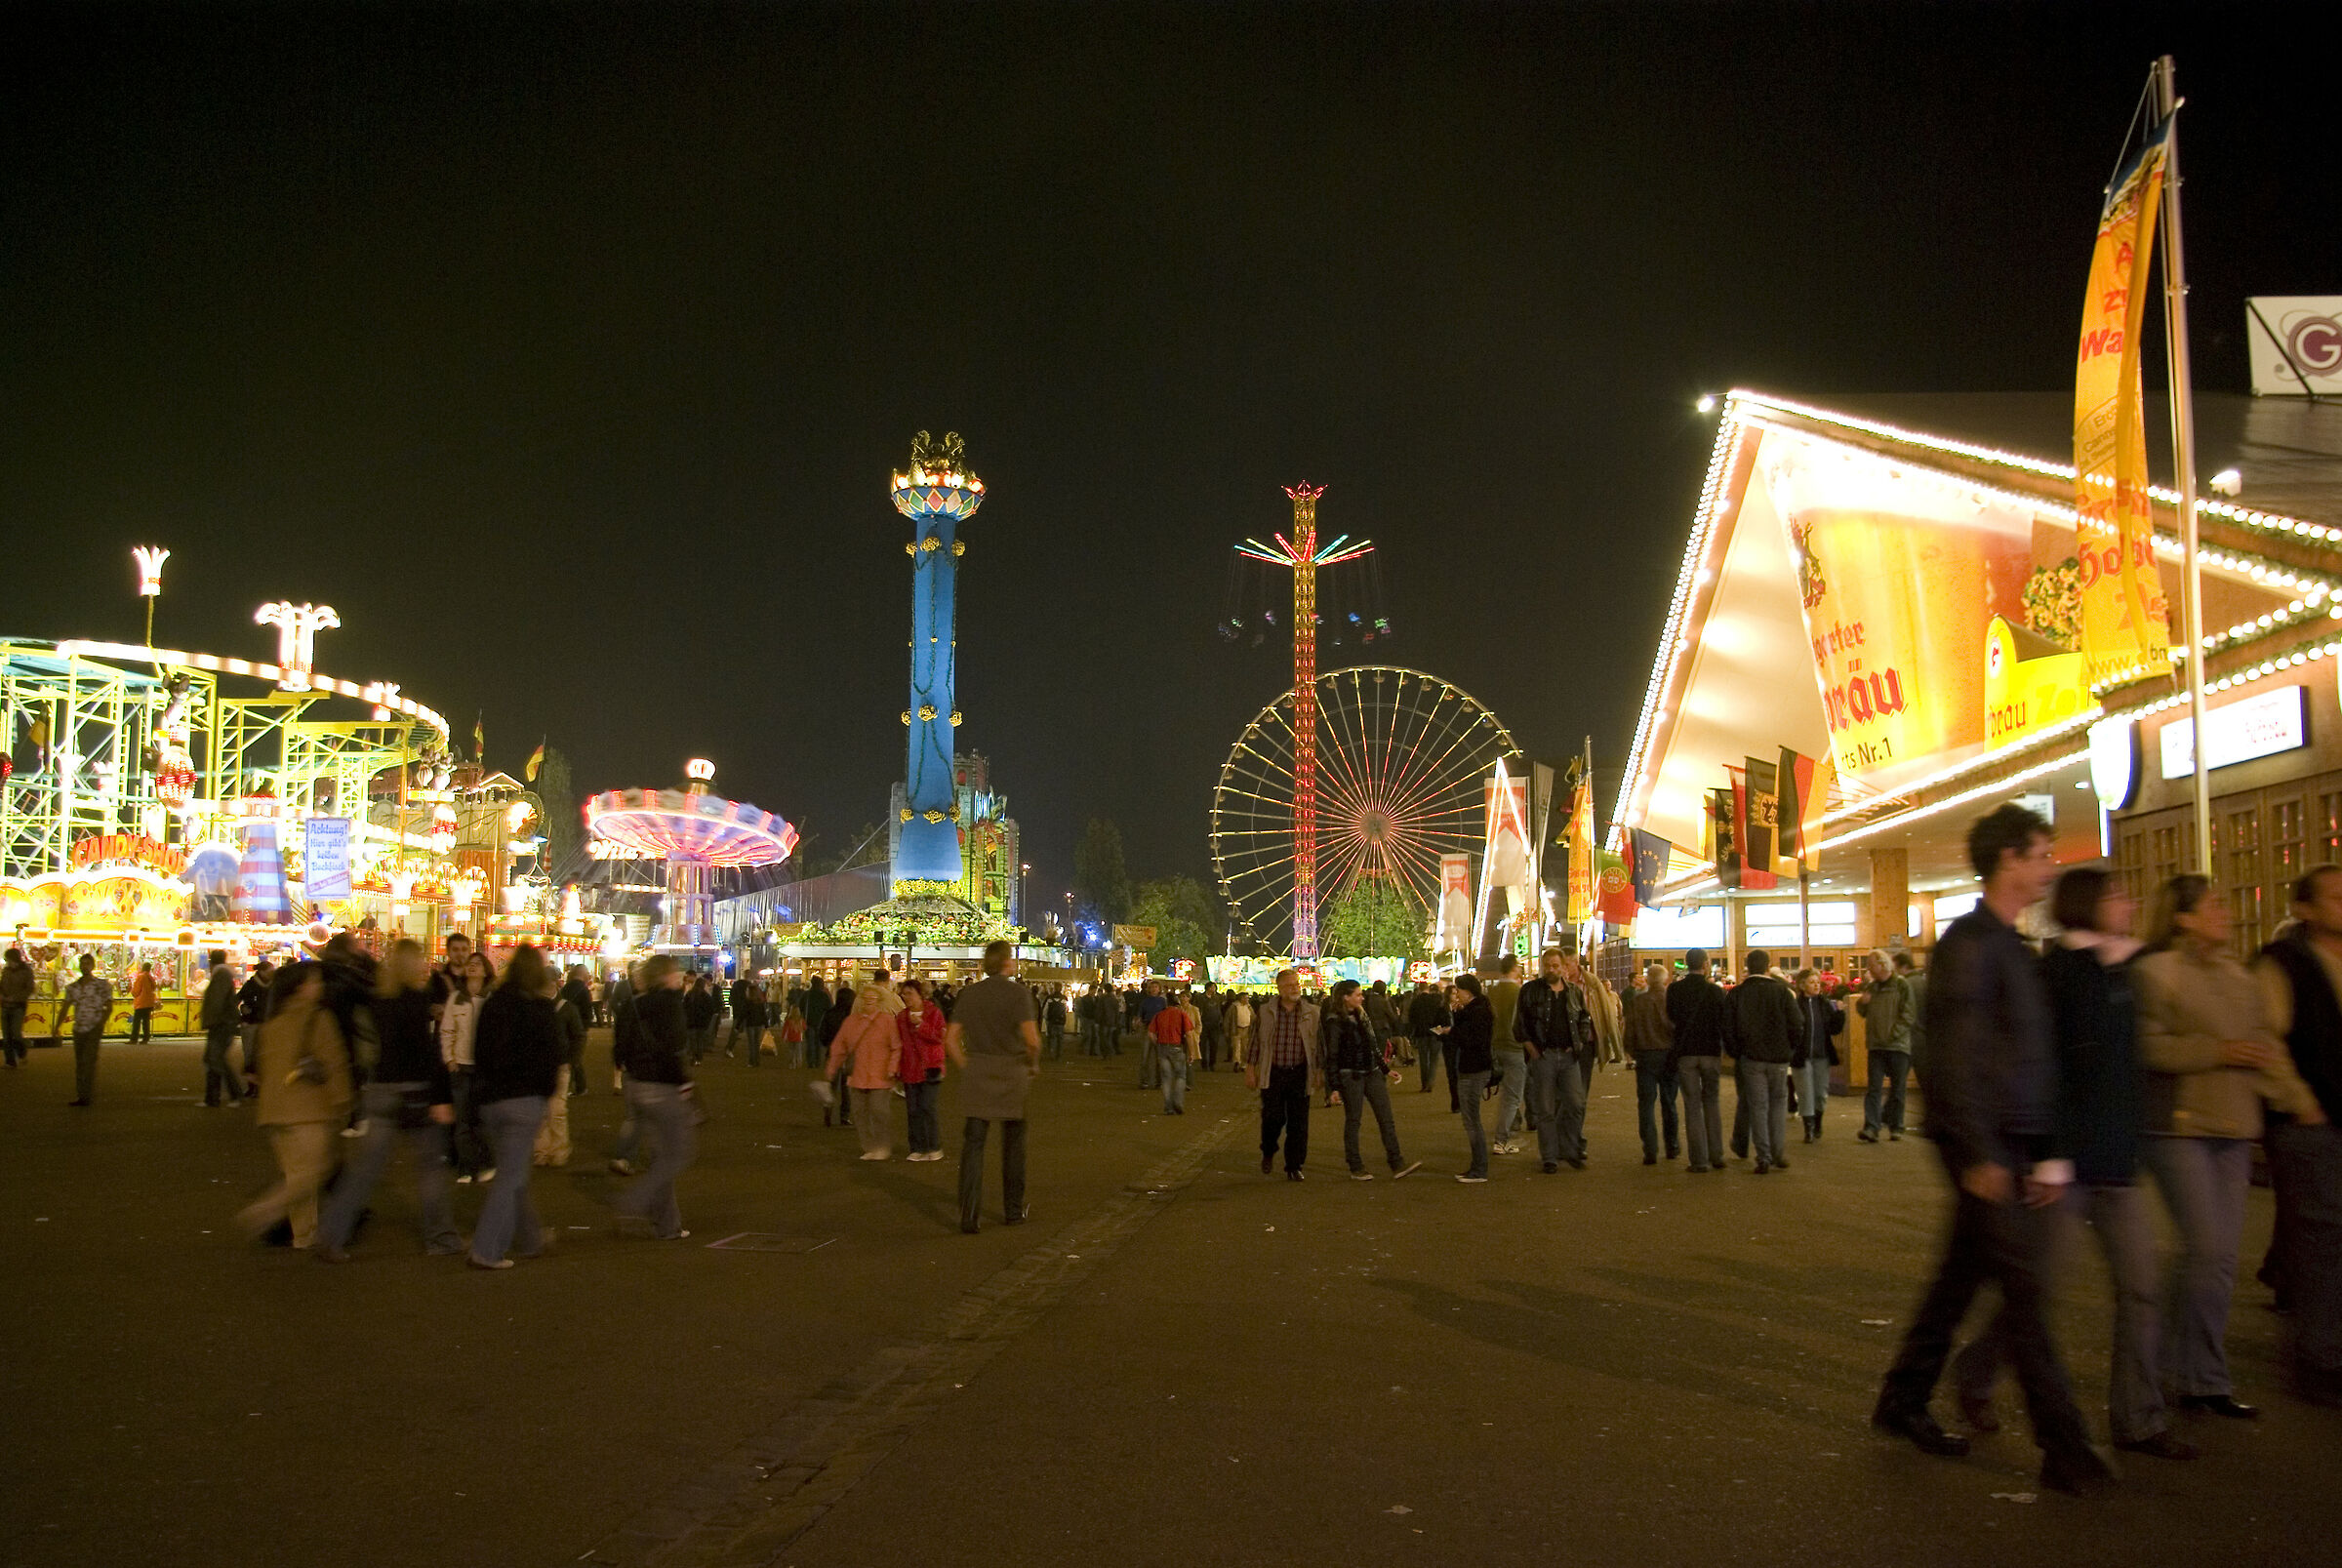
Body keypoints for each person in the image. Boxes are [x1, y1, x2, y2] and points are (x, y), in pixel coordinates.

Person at [1872, 803, 2112, 1497]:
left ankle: (1903, 1396)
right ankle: (2064, 1444)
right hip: (1983, 1143)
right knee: (2025, 1292)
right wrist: (1980, 1151)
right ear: (2009, 858)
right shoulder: (1973, 945)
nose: (2049, 865)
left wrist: (2041, 1149)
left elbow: (2026, 1059)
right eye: (2040, 853)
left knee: (1959, 1278)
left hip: (2006, 1141)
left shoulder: (2008, 943)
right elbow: (1955, 1056)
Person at [1949, 866, 2195, 1460]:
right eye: (2115, 895)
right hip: (2064, 1164)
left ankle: (2138, 1420)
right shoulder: (2056, 974)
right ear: (2088, 905)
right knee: (2039, 1288)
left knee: (2141, 1287)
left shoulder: (2134, 970)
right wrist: (2048, 1153)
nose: (2128, 903)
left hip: (2117, 1158)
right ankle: (1976, 1372)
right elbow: (2041, 1069)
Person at [2135, 871, 2317, 1421]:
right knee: (2207, 1249)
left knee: (2216, 1259)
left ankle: (2199, 1375)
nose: (2224, 913)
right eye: (2212, 906)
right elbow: (2148, 1048)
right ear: (2182, 917)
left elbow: (2266, 1047)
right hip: (2180, 1127)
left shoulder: (2240, 977)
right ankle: (2181, 1370)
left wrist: (2299, 1100)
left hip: (2234, 1126)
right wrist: (2218, 1050)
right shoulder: (2156, 972)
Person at [313, 938, 463, 1262]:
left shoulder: (378, 1000)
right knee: (430, 1168)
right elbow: (425, 1054)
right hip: (414, 1091)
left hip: (380, 1090)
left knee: (365, 1170)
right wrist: (440, 1096)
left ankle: (331, 1233)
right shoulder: (415, 1000)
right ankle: (441, 1236)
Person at [2253, 864, 2342, 1408]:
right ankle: (2318, 1361)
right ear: (2305, 910)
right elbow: (2266, 1038)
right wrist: (2299, 1102)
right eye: (2334, 897)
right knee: (2323, 1244)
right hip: (2312, 1125)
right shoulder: (2285, 963)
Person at [235, 962, 352, 1250]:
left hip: (274, 1112)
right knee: (310, 1174)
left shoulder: (273, 1022)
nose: (319, 986)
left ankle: (304, 1236)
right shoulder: (318, 1018)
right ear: (301, 987)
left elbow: (261, 1067)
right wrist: (343, 1102)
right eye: (314, 982)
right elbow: (334, 1063)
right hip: (308, 1110)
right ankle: (264, 1211)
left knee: (298, 1175)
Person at [467, 945, 565, 1270]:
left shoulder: (494, 1004)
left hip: (493, 1100)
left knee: (515, 1171)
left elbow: (480, 1050)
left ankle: (531, 1238)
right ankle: (486, 1248)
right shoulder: (541, 1008)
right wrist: (545, 1093)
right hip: (524, 1101)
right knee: (510, 1176)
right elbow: (552, 1056)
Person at [948, 941, 1041, 1233]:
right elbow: (1032, 1040)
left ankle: (969, 1214)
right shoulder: (1019, 995)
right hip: (1011, 1072)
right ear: (1006, 962)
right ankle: (1013, 1210)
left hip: (978, 1070)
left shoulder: (970, 994)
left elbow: (950, 1039)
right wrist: (1032, 1064)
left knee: (974, 1144)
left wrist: (966, 1065)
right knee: (1013, 1144)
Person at [611, 954, 699, 1239]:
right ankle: (636, 1200)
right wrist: (684, 1086)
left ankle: (667, 1224)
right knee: (677, 1154)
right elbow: (674, 1049)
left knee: (661, 1155)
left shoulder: (633, 1005)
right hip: (663, 1086)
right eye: (675, 973)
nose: (679, 977)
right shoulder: (671, 1005)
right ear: (664, 977)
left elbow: (619, 1048)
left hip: (636, 1085)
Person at [1323, 980, 1418, 1181]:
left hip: (1371, 1071)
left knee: (1386, 1118)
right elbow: (1332, 1055)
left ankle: (1396, 1162)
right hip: (1351, 1074)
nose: (1362, 997)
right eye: (1358, 995)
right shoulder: (1334, 1021)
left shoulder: (1361, 1016)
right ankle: (1355, 1165)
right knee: (1354, 1120)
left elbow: (1372, 1045)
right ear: (1345, 997)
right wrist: (1333, 1087)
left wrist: (1384, 1069)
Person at [1514, 948, 1593, 1173]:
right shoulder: (1531, 991)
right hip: (1544, 1056)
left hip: (1569, 1057)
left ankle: (1569, 1149)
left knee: (1576, 1104)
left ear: (1563, 967)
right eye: (1547, 965)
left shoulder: (1573, 993)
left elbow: (1584, 1018)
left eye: (1556, 965)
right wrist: (1532, 1049)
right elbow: (1519, 1024)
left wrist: (1578, 1044)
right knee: (1545, 1108)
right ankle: (1549, 1156)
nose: (1551, 969)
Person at [1726, 949, 1801, 1175]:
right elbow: (1797, 1024)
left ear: (1747, 966)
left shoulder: (1738, 994)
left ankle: (1764, 1157)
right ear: (1768, 966)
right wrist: (1789, 1049)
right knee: (1778, 1106)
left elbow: (1728, 1029)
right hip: (1778, 1058)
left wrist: (1737, 1053)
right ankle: (1778, 1153)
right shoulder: (1782, 992)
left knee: (1758, 1106)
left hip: (1751, 1058)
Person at [1248, 968, 1322, 1181]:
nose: (1295, 987)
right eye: (1290, 985)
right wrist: (1251, 1070)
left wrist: (1318, 1071)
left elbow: (1318, 1046)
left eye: (1297, 983)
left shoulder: (1312, 1012)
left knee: (1299, 1122)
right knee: (1272, 1117)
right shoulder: (1265, 1012)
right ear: (1279, 988)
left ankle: (1294, 1165)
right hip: (1273, 1072)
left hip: (1299, 1072)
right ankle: (1268, 1150)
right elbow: (1255, 1042)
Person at [1666, 949, 1729, 1174]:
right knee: (1711, 1103)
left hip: (1686, 1053)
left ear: (1685, 964)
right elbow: (1724, 1021)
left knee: (1692, 1106)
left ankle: (1699, 1161)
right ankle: (1717, 1155)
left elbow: (1671, 1017)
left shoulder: (1675, 990)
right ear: (1705, 964)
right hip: (1711, 1052)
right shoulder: (1715, 992)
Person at [830, 985, 903, 1160]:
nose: (869, 1002)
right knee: (860, 1113)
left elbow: (896, 1046)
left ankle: (882, 1146)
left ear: (879, 1002)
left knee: (879, 1111)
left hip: (881, 1074)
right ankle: (869, 1147)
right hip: (858, 1074)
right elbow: (840, 1045)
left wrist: (893, 1067)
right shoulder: (852, 1022)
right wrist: (832, 1067)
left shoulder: (887, 1021)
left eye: (873, 999)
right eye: (866, 999)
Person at [438, 951, 493, 1182]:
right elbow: (447, 1030)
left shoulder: (491, 998)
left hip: (483, 1067)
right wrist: (449, 1059)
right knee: (462, 1120)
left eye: (478, 964)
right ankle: (465, 1167)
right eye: (470, 964)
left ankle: (484, 1163)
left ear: (486, 970)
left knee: (481, 1118)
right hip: (460, 1066)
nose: (473, 967)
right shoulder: (456, 998)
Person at [1624, 961, 1678, 1163]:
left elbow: (1629, 1033)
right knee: (1669, 1102)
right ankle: (1672, 1146)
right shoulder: (1671, 1001)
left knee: (1646, 1104)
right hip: (1669, 1057)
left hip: (1646, 1057)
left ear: (1647, 980)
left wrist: (1633, 1052)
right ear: (1665, 980)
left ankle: (1650, 1150)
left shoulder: (1638, 1002)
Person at [1858, 949, 1914, 1143]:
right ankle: (1871, 1127)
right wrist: (1862, 1003)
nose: (1869, 969)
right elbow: (1862, 1011)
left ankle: (1896, 1126)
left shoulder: (1901, 985)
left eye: (1871, 965)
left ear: (1882, 965)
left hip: (1897, 1046)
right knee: (1873, 1089)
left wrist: (1892, 1035)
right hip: (1876, 1046)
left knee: (1898, 1089)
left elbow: (1908, 1015)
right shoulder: (1871, 987)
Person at [534, 972, 587, 1167]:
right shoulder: (534, 1007)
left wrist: (572, 1061)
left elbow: (579, 1036)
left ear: (555, 983)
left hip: (560, 1065)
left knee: (556, 1110)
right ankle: (541, 1151)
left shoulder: (567, 1008)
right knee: (540, 1111)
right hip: (537, 1066)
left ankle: (558, 1150)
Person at [1447, 974, 1495, 1183]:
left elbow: (1467, 1039)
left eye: (1458, 990)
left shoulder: (1477, 1012)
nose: (1456, 994)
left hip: (1473, 1069)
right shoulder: (1479, 1009)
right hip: (1475, 1067)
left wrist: (1452, 1030)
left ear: (1468, 991)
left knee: (1471, 1120)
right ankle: (1478, 1166)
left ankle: (1479, 1168)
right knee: (1471, 1119)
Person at [898, 980, 948, 1161]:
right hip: (910, 1068)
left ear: (920, 995)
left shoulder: (933, 1012)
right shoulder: (901, 1017)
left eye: (909, 993)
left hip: (931, 1067)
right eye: (904, 993)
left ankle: (933, 1146)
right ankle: (917, 1147)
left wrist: (920, 1025)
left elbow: (940, 1037)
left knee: (927, 1106)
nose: (905, 997)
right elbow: (899, 1043)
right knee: (912, 1109)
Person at [1794, 969, 1842, 1143]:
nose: (1816, 985)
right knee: (1805, 1092)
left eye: (1817, 982)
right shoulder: (1796, 1005)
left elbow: (1835, 1029)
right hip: (1802, 1056)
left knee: (1820, 1093)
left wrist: (1839, 1014)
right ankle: (1809, 1129)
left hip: (1822, 1055)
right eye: (1812, 981)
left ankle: (1818, 1122)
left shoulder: (1824, 1004)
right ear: (1802, 984)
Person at [1487, 955, 1528, 1155]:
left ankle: (1506, 1136)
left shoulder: (1491, 991)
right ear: (1515, 968)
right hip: (1514, 1047)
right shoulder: (1519, 993)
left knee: (1506, 1093)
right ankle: (1502, 1139)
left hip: (1496, 1046)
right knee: (1512, 1097)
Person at [61, 952, 113, 1106]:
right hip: (79, 1028)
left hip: (93, 1028)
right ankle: (81, 1094)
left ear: (92, 966)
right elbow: (65, 1006)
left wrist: (101, 1023)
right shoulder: (73, 987)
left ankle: (86, 1094)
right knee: (80, 1063)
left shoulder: (102, 985)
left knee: (88, 1061)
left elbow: (109, 1007)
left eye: (87, 964)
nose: (85, 967)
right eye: (82, 964)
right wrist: (57, 1025)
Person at [198, 952, 243, 1106]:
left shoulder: (221, 975)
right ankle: (212, 1098)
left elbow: (217, 1000)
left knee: (215, 1059)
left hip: (221, 1023)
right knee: (213, 1059)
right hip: (222, 1023)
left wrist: (210, 1019)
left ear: (211, 963)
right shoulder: (224, 975)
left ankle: (233, 1094)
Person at [1150, 988, 1195, 1114]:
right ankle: (1178, 1102)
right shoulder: (1181, 1015)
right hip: (1177, 1047)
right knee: (1180, 1076)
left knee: (1166, 1078)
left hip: (1163, 1047)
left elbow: (1151, 1034)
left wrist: (1157, 1043)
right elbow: (1189, 1034)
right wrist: (1191, 1052)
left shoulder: (1159, 1015)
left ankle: (1168, 1106)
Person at [821, 979, 859, 1125]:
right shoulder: (853, 1017)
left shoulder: (830, 1014)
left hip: (832, 1053)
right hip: (849, 1055)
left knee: (831, 1085)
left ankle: (828, 1112)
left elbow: (822, 1034)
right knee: (847, 1087)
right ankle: (844, 1115)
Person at [235, 958, 274, 1092]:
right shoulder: (251, 985)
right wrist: (241, 1016)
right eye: (270, 971)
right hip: (252, 1023)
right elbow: (237, 1000)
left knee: (262, 1054)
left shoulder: (272, 985)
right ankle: (252, 1086)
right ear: (262, 972)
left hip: (265, 1024)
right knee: (250, 1054)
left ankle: (258, 1085)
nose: (272, 974)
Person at [1406, 981, 1446, 1096]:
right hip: (1435, 1033)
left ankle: (1424, 1083)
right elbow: (1442, 1016)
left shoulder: (1416, 1001)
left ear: (1419, 989)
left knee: (1423, 1059)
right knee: (1434, 1059)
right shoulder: (1436, 1000)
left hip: (1421, 1033)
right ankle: (1430, 1082)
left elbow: (1411, 1018)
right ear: (1428, 988)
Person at [1, 946, 32, 1067]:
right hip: (5, 1004)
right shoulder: (6, 970)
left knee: (15, 1032)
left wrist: (15, 997)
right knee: (6, 1035)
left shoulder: (26, 971)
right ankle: (10, 1061)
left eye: (10, 960)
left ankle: (22, 1052)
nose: (9, 963)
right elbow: (2, 984)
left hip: (18, 1005)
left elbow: (29, 989)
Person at [683, 973, 719, 1064]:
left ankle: (693, 1057)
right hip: (702, 1022)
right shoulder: (706, 996)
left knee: (692, 1040)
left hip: (690, 1021)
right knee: (700, 1040)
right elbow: (711, 1009)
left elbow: (684, 1007)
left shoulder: (690, 994)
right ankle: (698, 1058)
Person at [128, 961, 158, 1045]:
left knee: (136, 1021)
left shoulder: (141, 977)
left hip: (141, 1002)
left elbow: (136, 990)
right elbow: (154, 988)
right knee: (146, 1021)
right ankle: (146, 1038)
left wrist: (132, 992)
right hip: (149, 1002)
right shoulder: (151, 978)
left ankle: (134, 1038)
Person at [1226, 989, 1254, 1075]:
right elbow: (1228, 1019)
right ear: (1241, 998)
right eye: (1246, 998)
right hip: (1237, 1029)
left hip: (1246, 1029)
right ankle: (1237, 1062)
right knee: (1237, 1047)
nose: (1247, 1000)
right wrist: (1227, 1030)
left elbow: (1253, 1017)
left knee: (1245, 1048)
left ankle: (1244, 1064)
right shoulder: (1234, 1007)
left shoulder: (1248, 1007)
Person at [1043, 987, 1069, 1062]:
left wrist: (1046, 1018)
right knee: (1060, 1039)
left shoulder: (1049, 998)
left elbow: (1045, 1010)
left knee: (1052, 1038)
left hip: (1051, 1021)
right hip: (1061, 1021)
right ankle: (1059, 1055)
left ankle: (1052, 1055)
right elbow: (1066, 1010)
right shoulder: (1064, 998)